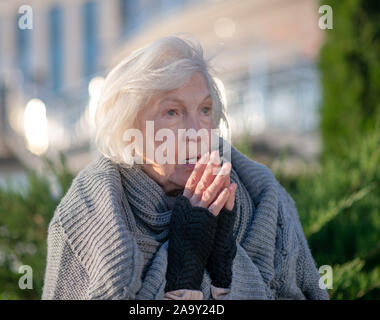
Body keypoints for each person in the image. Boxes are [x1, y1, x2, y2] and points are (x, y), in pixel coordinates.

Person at [41, 34, 329, 300]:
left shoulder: (265, 197)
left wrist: (225, 261)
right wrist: (182, 264)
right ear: (128, 127)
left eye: (204, 110)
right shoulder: (85, 217)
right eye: (172, 112)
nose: (197, 131)